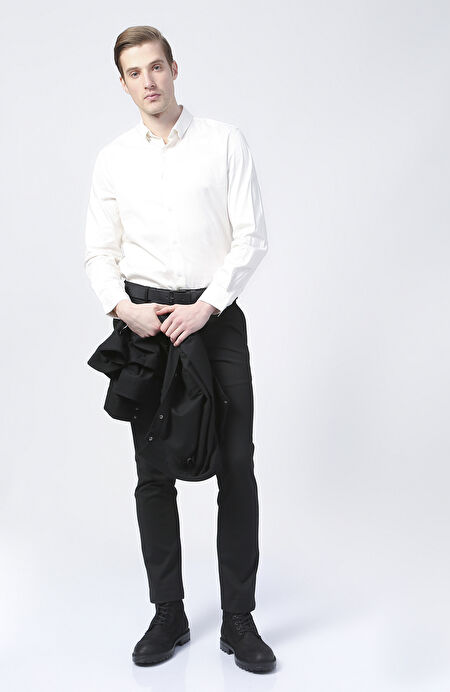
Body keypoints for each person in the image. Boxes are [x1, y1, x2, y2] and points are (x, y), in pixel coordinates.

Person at [84, 25, 276, 674]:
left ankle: (238, 620)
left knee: (236, 466)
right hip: (146, 325)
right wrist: (124, 308)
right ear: (123, 83)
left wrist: (207, 306)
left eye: (157, 67)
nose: (149, 81)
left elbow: (251, 236)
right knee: (152, 473)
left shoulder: (224, 142)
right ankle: (168, 612)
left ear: (174, 68)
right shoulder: (113, 159)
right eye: (135, 72)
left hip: (213, 319)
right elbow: (98, 252)